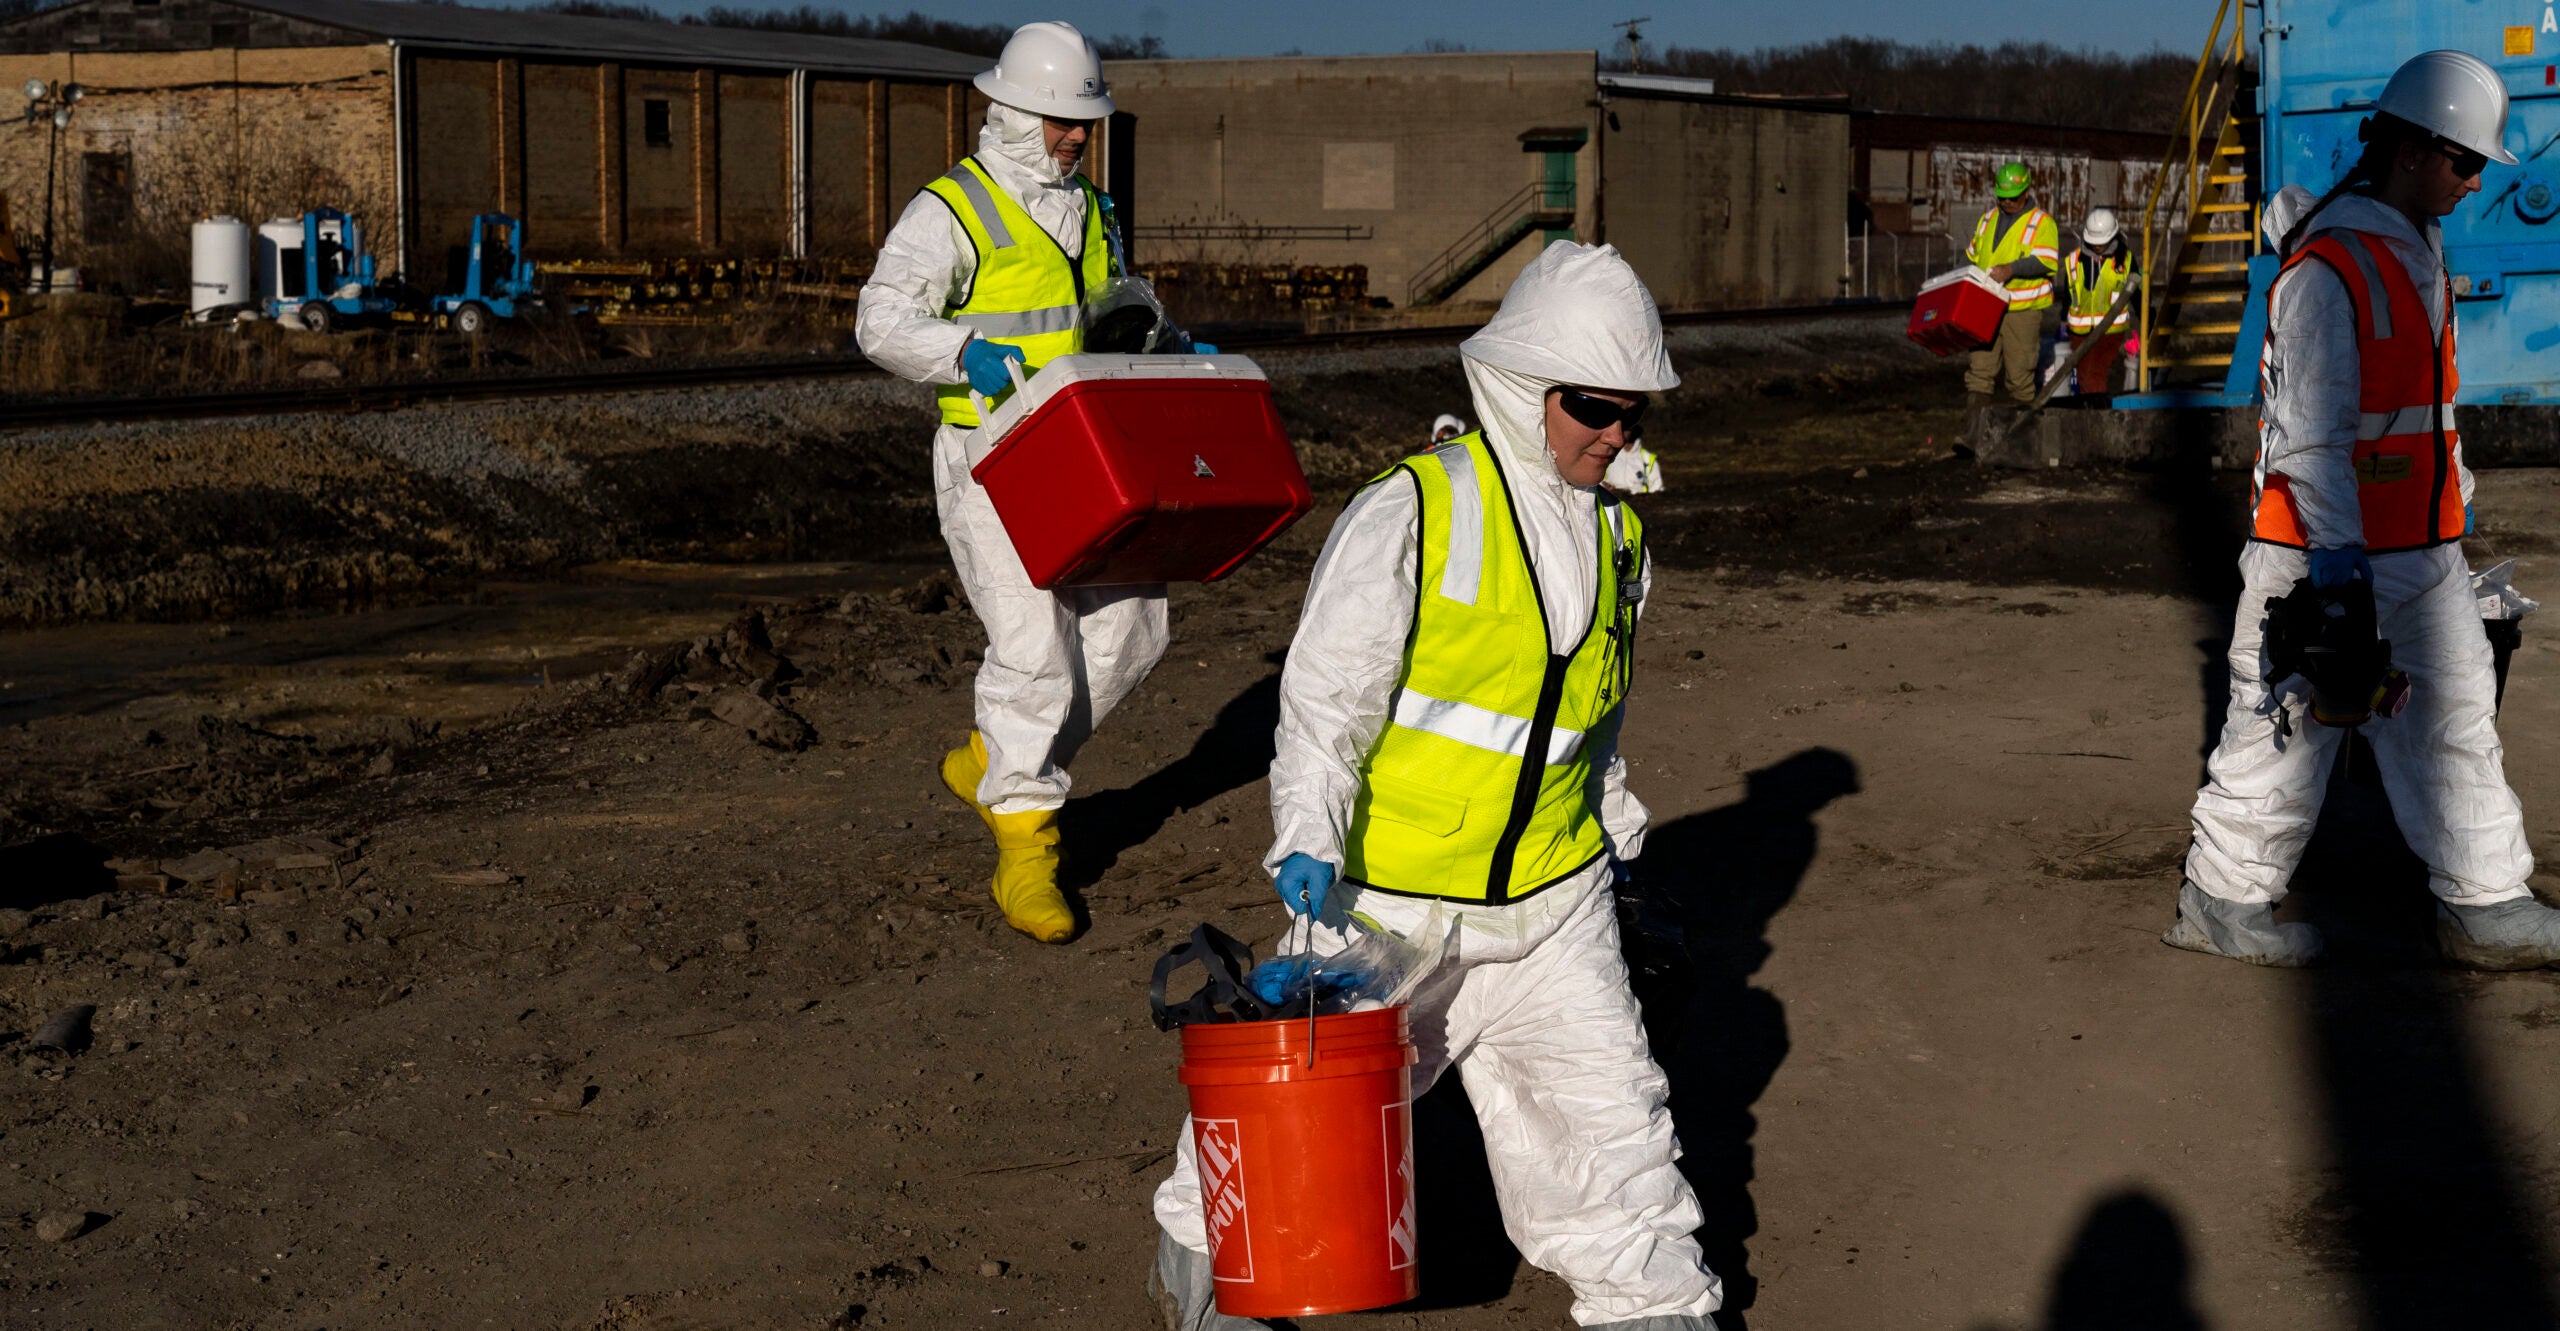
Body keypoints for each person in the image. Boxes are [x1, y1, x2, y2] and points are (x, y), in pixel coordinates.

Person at [1146, 242, 1721, 1330]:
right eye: (1594, 407)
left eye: (1634, 412)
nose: (1617, 433)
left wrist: (1618, 838)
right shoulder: (1415, 511)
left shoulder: (1619, 538)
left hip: (1554, 908)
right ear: (1523, 389)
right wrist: (1306, 834)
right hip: (1387, 910)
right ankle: (1210, 1274)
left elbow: (1587, 725)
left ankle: (1658, 1314)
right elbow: (1327, 698)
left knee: (1614, 1142)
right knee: (1283, 1123)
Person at [2169, 49, 2560, 970]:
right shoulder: (2329, 270)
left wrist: (2453, 510)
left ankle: (2486, 900)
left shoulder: (2414, 248)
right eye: (2466, 161)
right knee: (2284, 731)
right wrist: (2338, 573)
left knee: (2457, 721)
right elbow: (2309, 435)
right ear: (2412, 151)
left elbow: (2425, 411)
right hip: (2320, 554)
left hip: (2420, 551)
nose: (2476, 181)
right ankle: (2221, 901)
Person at [855, 21, 1208, 944]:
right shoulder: (952, 210)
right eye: (1062, 120)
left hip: (1084, 453)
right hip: (991, 458)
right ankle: (1027, 845)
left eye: (1085, 122)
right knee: (1034, 651)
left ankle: (995, 757)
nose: (1078, 136)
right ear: (1013, 112)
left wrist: (1165, 343)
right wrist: (961, 352)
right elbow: (879, 320)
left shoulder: (1091, 208)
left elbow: (1105, 309)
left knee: (1134, 630)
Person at [1964, 162, 2060, 410]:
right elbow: (1973, 256)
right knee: (1979, 373)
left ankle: (2024, 429)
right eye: (2002, 197)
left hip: (2021, 311)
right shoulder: (1987, 220)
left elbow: (2045, 261)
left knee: (2019, 378)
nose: (2007, 202)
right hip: (1986, 306)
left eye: (2013, 198)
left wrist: (2011, 269)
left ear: (2026, 193)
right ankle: (1976, 429)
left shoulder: (2042, 223)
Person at [2061, 205, 2136, 395]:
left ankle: (2097, 408)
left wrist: (2144, 325)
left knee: (2094, 373)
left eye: (2101, 242)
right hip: (2079, 332)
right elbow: (2068, 294)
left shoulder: (2125, 260)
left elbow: (2138, 294)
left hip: (2110, 331)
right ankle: (2092, 407)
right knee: (2084, 375)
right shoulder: (2074, 261)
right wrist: (2062, 324)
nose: (2097, 246)